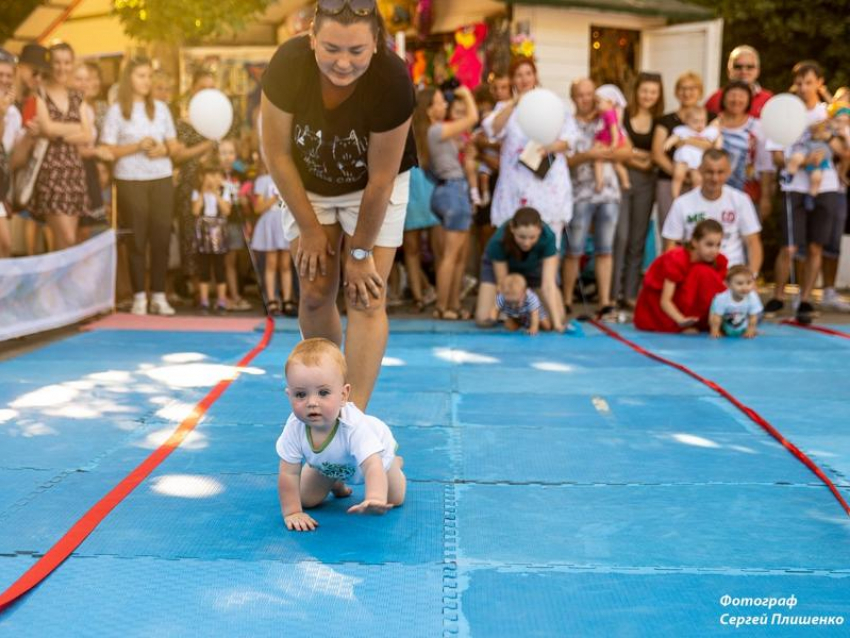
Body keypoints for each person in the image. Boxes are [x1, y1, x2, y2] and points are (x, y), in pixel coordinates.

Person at [261, 0, 416, 410]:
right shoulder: (287, 64)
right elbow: (276, 154)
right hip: (307, 181)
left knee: (366, 294)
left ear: (376, 44)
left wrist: (361, 252)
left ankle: (353, 417)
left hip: (372, 185)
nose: (342, 63)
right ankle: (325, 397)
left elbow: (382, 179)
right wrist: (310, 230)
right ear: (311, 38)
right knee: (314, 291)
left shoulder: (393, 79)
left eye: (356, 51)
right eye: (331, 49)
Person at [276, 338, 406, 532]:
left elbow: (372, 465)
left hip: (378, 460)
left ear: (344, 395)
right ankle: (335, 482)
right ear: (289, 395)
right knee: (305, 499)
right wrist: (292, 512)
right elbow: (288, 472)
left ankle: (395, 464)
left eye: (323, 392)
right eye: (301, 395)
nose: (312, 402)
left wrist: (375, 497)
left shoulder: (353, 426)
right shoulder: (295, 426)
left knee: (395, 499)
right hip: (329, 465)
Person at [765, 61, 849, 322]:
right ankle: (778, 297)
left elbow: (843, 149)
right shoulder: (784, 111)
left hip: (825, 187)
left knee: (815, 247)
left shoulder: (829, 113)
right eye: (799, 82)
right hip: (794, 187)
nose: (803, 88)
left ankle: (805, 300)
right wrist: (800, 161)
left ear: (820, 84)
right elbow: (777, 156)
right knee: (790, 247)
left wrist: (823, 143)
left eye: (809, 82)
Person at [101, 55, 180, 315]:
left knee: (160, 236)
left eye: (149, 76)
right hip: (130, 179)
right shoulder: (116, 111)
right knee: (137, 238)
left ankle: (158, 294)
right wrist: (137, 146)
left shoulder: (161, 108)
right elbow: (107, 149)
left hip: (161, 177)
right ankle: (138, 297)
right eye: (141, 76)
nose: (147, 81)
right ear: (129, 79)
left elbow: (176, 146)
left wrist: (163, 149)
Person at [482, 57, 576, 240]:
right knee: (514, 239)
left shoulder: (551, 102)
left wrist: (548, 147)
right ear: (512, 79)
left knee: (548, 239)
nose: (524, 79)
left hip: (547, 181)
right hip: (516, 183)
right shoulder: (505, 107)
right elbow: (492, 129)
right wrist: (515, 103)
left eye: (528, 74)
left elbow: (570, 138)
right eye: (518, 75)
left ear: (535, 76)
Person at [564, 78, 633, 320]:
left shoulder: (606, 117)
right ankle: (566, 299)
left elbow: (626, 149)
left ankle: (605, 302)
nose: (586, 99)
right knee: (574, 247)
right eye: (580, 95)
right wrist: (587, 156)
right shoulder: (567, 124)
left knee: (605, 248)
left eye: (589, 94)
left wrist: (606, 152)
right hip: (579, 191)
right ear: (573, 98)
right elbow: (564, 160)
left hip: (608, 193)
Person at [416, 85, 478, 319]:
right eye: (441, 102)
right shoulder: (436, 130)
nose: (445, 105)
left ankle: (453, 304)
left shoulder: (435, 132)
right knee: (451, 255)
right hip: (452, 191)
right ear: (430, 110)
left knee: (459, 256)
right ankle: (442, 306)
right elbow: (473, 117)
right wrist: (466, 93)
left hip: (452, 190)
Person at [30, 43, 93, 251]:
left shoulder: (77, 96)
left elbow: (87, 134)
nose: (62, 67)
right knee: (65, 238)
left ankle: (61, 284)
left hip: (74, 171)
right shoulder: (38, 93)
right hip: (50, 171)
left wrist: (57, 132)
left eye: (67, 62)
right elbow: (46, 128)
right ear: (50, 64)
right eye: (57, 62)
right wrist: (73, 128)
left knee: (70, 242)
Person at [662, 149, 763, 275]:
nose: (715, 178)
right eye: (710, 172)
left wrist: (752, 275)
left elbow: (753, 242)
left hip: (731, 274)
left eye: (720, 172)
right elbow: (671, 245)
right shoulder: (682, 203)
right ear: (700, 170)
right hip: (694, 273)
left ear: (728, 172)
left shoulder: (740, 200)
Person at [612, 72, 664, 309]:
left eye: (653, 92)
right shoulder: (623, 117)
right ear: (636, 91)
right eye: (644, 91)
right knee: (620, 236)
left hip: (647, 183)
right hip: (622, 179)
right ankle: (613, 292)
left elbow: (657, 154)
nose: (648, 96)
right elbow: (618, 149)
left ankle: (630, 293)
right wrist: (639, 157)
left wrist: (636, 154)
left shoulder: (660, 122)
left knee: (638, 239)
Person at [474, 206, 566, 331]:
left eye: (532, 237)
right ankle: (511, 314)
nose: (527, 243)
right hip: (504, 272)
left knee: (558, 317)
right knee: (484, 319)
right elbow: (504, 284)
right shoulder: (498, 240)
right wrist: (510, 315)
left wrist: (557, 324)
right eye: (522, 237)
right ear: (512, 228)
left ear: (540, 230)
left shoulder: (548, 236)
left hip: (533, 268)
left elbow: (548, 285)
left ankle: (526, 313)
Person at [634, 219, 727, 333]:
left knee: (706, 274)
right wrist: (682, 321)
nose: (714, 250)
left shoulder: (719, 260)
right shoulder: (677, 259)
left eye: (718, 245)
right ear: (694, 242)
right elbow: (665, 301)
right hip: (658, 311)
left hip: (685, 305)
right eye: (709, 244)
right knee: (702, 272)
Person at [172, 70, 217, 297]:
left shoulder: (220, 120)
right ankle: (192, 283)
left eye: (211, 88)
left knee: (215, 232)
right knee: (191, 233)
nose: (206, 92)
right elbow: (177, 156)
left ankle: (215, 284)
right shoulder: (184, 123)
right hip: (190, 184)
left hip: (213, 186)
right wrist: (206, 146)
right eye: (202, 87)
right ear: (193, 90)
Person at [651, 72, 705, 226]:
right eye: (682, 88)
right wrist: (678, 174)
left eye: (692, 88)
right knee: (671, 227)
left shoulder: (709, 118)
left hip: (699, 181)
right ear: (676, 92)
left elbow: (712, 145)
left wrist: (686, 141)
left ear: (700, 91)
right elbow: (657, 153)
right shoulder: (665, 120)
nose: (687, 93)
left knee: (697, 228)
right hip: (669, 181)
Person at [714, 81, 772, 208]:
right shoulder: (712, 124)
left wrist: (766, 197)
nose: (736, 100)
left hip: (748, 193)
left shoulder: (758, 127)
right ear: (723, 99)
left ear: (749, 100)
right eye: (732, 95)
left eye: (741, 96)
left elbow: (765, 164)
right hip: (714, 192)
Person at [251, 160, 296, 316]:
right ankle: (271, 300)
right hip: (270, 222)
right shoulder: (262, 181)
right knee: (271, 262)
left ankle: (287, 300)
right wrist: (275, 197)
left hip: (285, 221)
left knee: (285, 263)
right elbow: (257, 208)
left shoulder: (289, 177)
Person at [218, 138, 253, 311]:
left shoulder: (241, 175)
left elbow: (246, 202)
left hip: (235, 222)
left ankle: (234, 294)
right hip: (218, 223)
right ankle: (226, 296)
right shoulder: (214, 175)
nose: (227, 157)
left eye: (230, 153)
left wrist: (244, 202)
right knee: (222, 261)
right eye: (223, 153)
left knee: (233, 260)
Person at [192, 162, 232, 314]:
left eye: (217, 176)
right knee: (204, 267)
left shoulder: (224, 191)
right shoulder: (197, 192)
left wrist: (216, 193)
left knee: (219, 267)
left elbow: (227, 211)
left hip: (218, 233)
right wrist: (203, 192)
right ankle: (204, 300)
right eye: (210, 175)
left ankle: (221, 300)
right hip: (203, 234)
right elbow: (195, 210)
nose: (213, 179)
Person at [664, 106, 723, 199]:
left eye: (702, 121)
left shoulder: (707, 131)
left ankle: (696, 198)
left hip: (697, 160)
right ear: (687, 121)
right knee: (678, 176)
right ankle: (675, 197)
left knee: (698, 180)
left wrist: (718, 148)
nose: (699, 125)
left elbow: (717, 138)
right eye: (695, 121)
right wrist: (668, 143)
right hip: (683, 158)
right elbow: (675, 137)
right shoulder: (683, 130)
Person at [705, 46, 774, 118]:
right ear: (729, 70)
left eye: (749, 67)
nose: (744, 71)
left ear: (758, 71)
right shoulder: (715, 98)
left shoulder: (769, 100)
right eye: (738, 66)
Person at [0, 48, 21, 257]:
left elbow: (11, 155)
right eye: (0, 75)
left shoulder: (14, 112)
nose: (5, 80)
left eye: (8, 75)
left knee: (5, 245)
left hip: (2, 184)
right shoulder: (7, 110)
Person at [593, 83, 630, 191]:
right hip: (607, 140)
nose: (596, 106)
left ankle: (600, 182)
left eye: (598, 102)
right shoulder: (606, 113)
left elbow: (614, 128)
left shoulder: (609, 114)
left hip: (610, 141)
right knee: (616, 164)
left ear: (609, 102)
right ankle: (626, 182)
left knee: (598, 160)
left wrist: (614, 142)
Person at [709, 265, 762, 339]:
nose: (745, 287)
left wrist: (750, 330)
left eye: (749, 283)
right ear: (728, 284)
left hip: (740, 319)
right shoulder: (722, 298)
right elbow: (717, 317)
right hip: (721, 319)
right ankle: (718, 329)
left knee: (749, 322)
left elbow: (753, 316)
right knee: (714, 314)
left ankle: (743, 329)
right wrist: (715, 331)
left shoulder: (752, 297)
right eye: (740, 283)